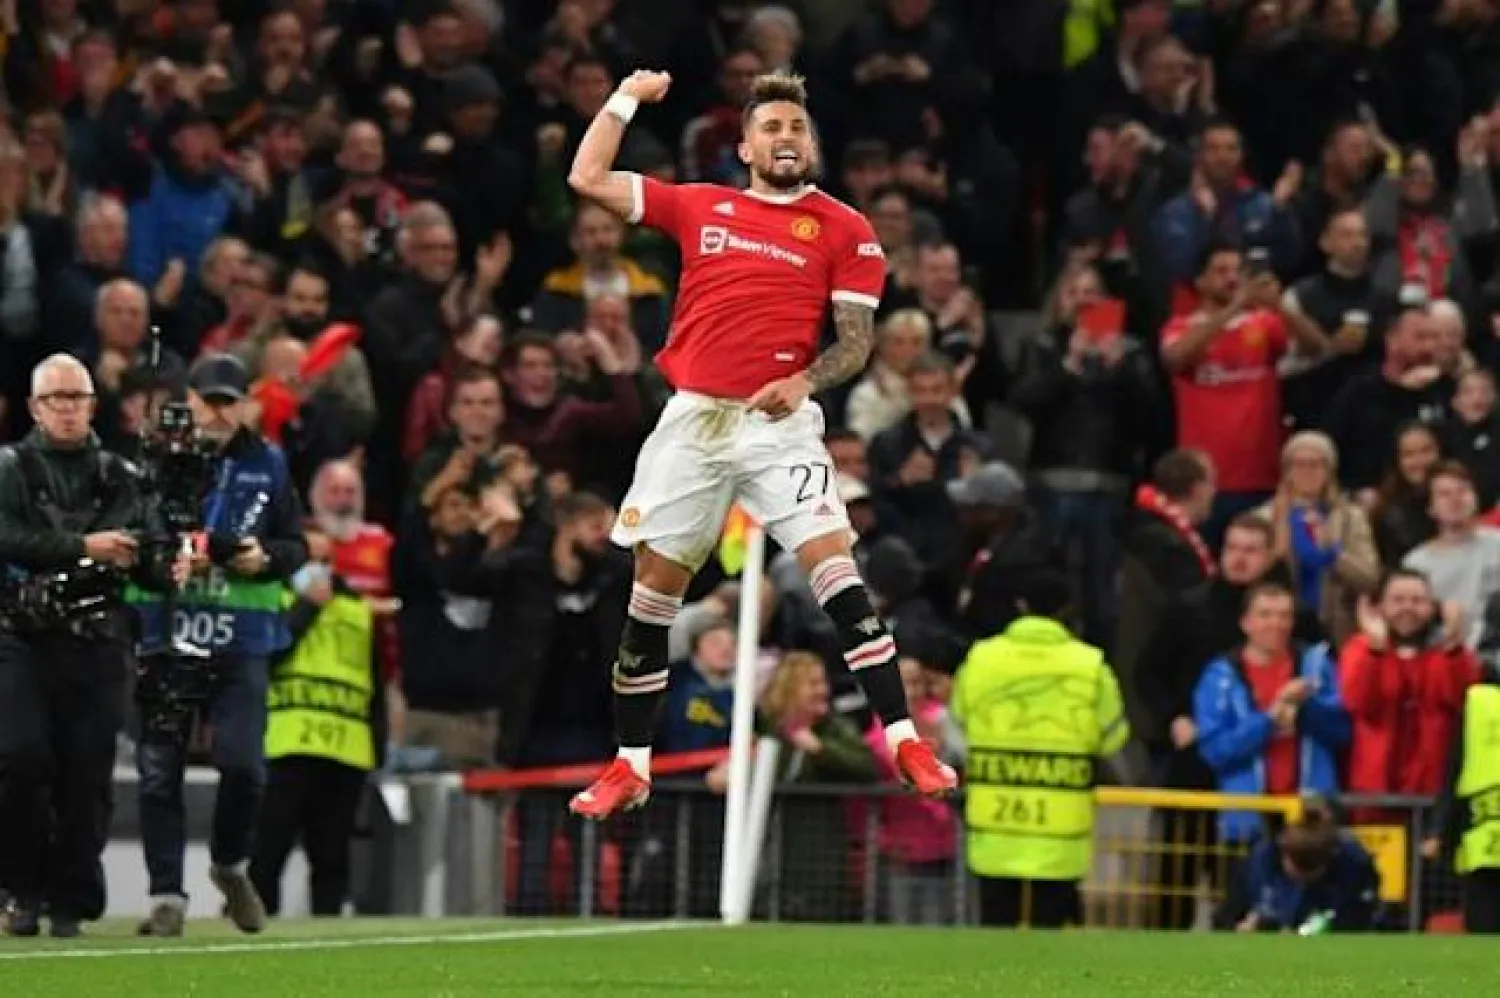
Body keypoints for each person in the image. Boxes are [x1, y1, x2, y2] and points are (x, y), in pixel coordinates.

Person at [565, 68, 956, 818]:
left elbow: (856, 343)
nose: (786, 137)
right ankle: (630, 764)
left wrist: (804, 381)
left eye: (797, 127)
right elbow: (587, 176)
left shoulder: (846, 228)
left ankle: (906, 740)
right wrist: (626, 98)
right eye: (771, 127)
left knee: (836, 569)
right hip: (694, 421)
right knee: (652, 595)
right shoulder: (700, 205)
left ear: (812, 144)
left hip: (779, 427)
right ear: (744, 147)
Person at [125, 354, 309, 937]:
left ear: (247, 404)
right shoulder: (154, 460)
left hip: (241, 636)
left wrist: (265, 557)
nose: (222, 413)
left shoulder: (269, 462)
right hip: (168, 633)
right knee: (159, 772)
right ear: (191, 402)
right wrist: (173, 556)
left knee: (244, 766)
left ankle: (230, 864)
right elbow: (132, 537)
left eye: (232, 402)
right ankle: (166, 895)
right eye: (212, 402)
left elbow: (296, 546)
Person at [0, 355, 183, 938]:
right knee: (21, 759)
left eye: (76, 398)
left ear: (92, 406)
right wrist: (83, 546)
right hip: (21, 634)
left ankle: (71, 899)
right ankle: (19, 887)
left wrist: (167, 565)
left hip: (98, 635)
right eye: (55, 399)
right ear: (34, 408)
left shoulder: (122, 474)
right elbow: (6, 535)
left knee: (87, 773)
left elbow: (148, 555)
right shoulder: (8, 468)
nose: (67, 409)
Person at [951, 570, 1130, 929]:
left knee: (994, 936)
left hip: (996, 825)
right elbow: (1114, 738)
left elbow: (956, 731)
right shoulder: (1090, 665)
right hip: (1060, 831)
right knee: (1053, 938)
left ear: (1020, 606)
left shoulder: (982, 659)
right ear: (1068, 610)